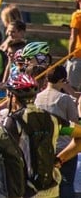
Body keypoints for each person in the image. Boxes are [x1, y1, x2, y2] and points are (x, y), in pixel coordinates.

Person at [34, 65, 79, 196]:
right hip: (64, 150)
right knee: (65, 184)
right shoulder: (64, 99)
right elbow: (75, 125)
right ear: (62, 80)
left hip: (44, 148)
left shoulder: (37, 97)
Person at [67, 0, 81, 90]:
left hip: (78, 55)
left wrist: (69, 55)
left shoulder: (77, 16)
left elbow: (73, 37)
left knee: (72, 88)